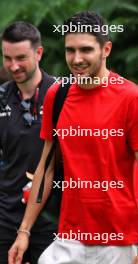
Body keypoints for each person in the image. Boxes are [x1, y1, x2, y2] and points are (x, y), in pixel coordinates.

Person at [9, 12, 138, 264]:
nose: (76, 59)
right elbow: (45, 169)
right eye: (70, 50)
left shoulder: (132, 97)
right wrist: (24, 231)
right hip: (68, 240)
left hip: (118, 243)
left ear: (106, 49)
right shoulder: (57, 95)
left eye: (86, 50)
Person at [0, 21, 57, 264]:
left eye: (21, 58)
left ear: (39, 53)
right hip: (6, 218)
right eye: (7, 58)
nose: (14, 66)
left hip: (53, 218)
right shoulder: (1, 96)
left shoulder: (63, 94)